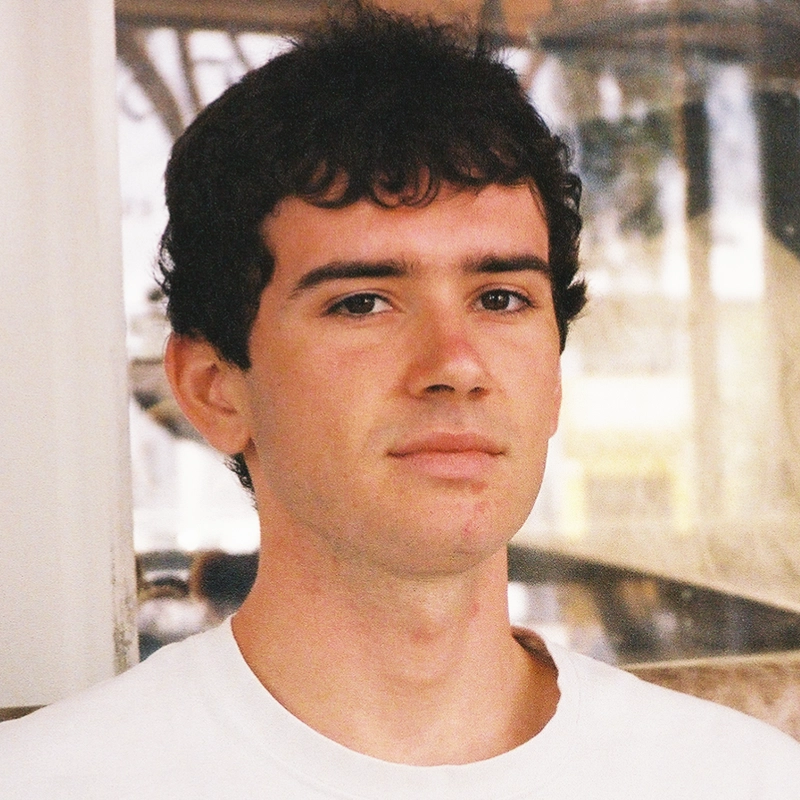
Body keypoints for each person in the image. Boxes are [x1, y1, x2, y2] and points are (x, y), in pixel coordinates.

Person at [2, 2, 799, 796]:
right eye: (362, 302)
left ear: (554, 375)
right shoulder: (54, 781)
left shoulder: (741, 779)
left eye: (500, 299)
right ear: (215, 391)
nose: (456, 364)